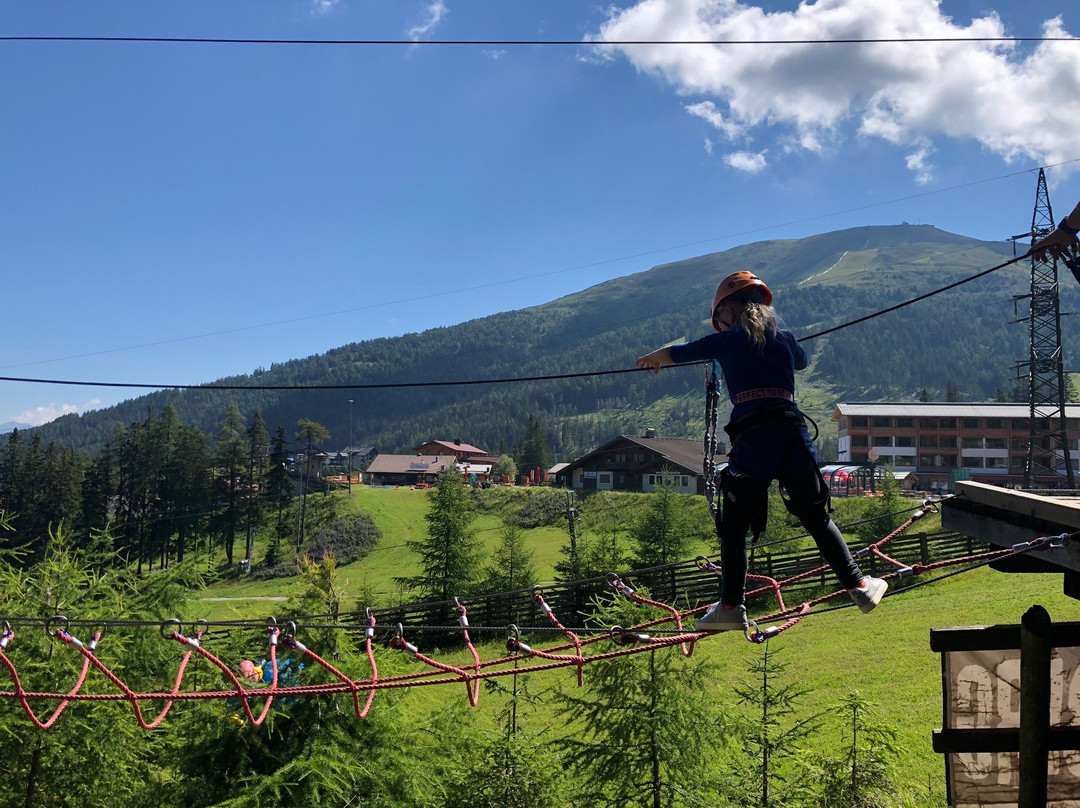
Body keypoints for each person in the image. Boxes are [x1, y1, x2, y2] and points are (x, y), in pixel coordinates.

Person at [636, 271, 888, 633]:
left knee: (735, 527)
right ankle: (859, 588)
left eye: (719, 318)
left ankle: (730, 607)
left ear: (727, 311)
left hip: (755, 441)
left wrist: (650, 358)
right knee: (816, 518)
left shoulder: (724, 342)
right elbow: (800, 361)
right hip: (792, 436)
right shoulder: (783, 339)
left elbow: (676, 353)